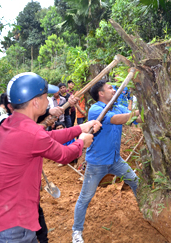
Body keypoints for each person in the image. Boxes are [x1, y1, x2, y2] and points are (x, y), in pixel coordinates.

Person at [0, 72, 101, 243]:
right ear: (35, 102)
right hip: (13, 228)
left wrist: (80, 128)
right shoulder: (30, 132)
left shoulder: (11, 124)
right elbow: (64, 155)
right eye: (46, 97)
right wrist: (81, 143)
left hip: (7, 220)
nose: (49, 101)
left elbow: (49, 138)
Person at [72, 80, 142, 243]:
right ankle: (76, 232)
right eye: (110, 88)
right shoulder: (96, 110)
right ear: (101, 94)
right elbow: (119, 119)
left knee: (135, 182)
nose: (114, 89)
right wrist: (138, 112)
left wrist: (147, 114)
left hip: (115, 160)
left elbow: (136, 119)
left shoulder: (117, 106)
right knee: (85, 197)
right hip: (97, 163)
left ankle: (146, 209)